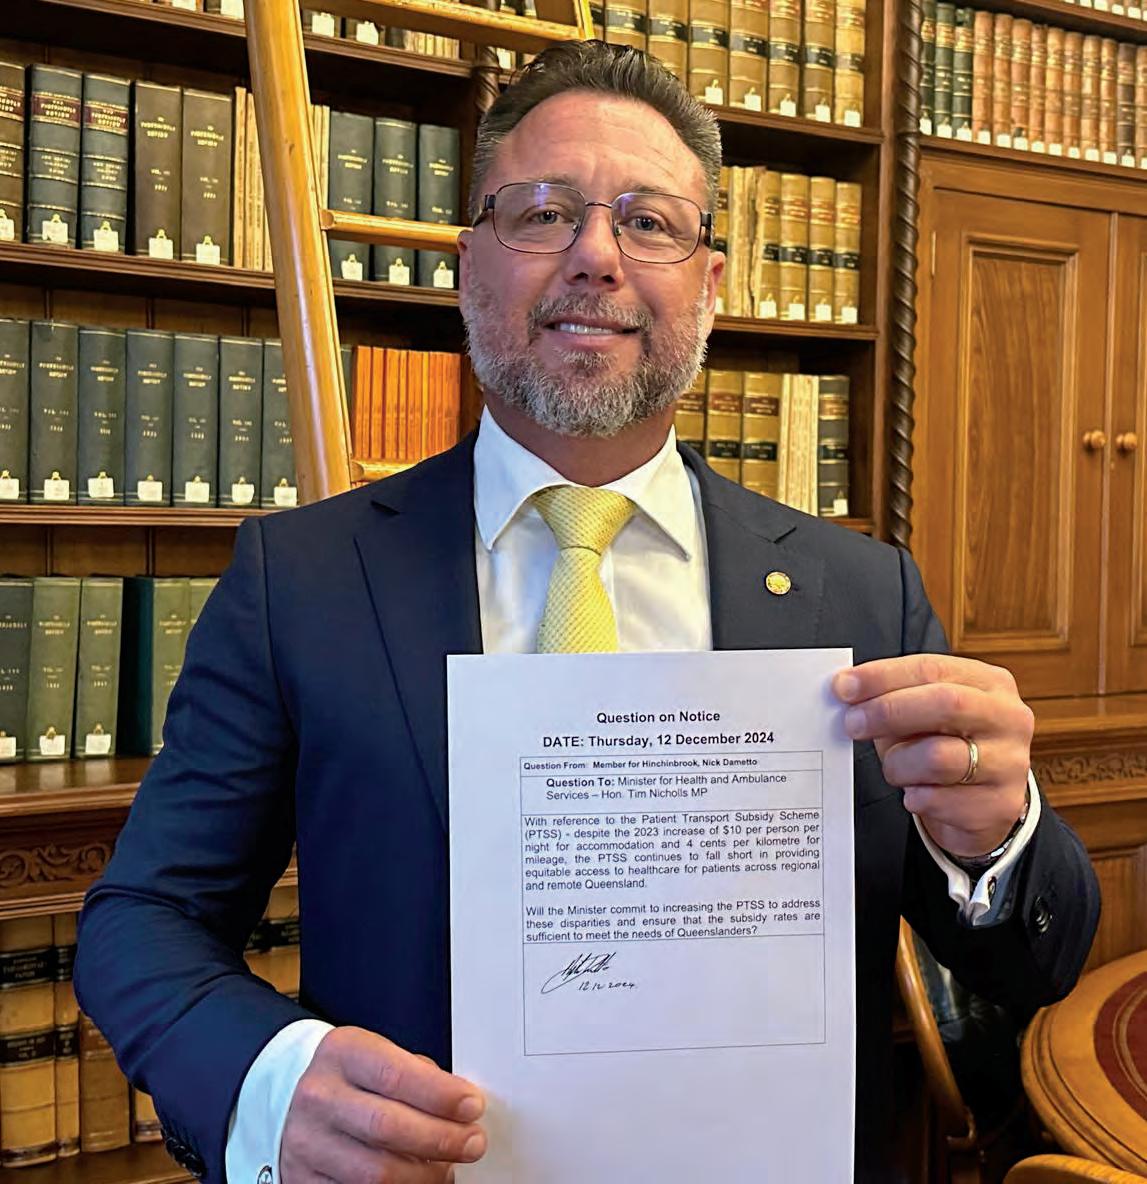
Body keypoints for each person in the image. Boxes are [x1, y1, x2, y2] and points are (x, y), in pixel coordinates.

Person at [74, 40, 1099, 1184]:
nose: (596, 256)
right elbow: (145, 915)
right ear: (468, 264)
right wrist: (269, 1079)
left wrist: (991, 837)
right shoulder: (300, 579)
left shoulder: (859, 590)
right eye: (543, 213)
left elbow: (1033, 963)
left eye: (649, 222)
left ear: (711, 284)